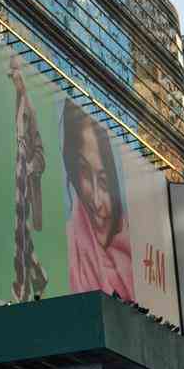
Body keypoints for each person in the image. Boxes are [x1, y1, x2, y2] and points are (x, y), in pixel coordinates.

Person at [61, 99, 134, 300]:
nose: (95, 200)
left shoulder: (135, 259)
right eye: (84, 171)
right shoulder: (67, 250)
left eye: (103, 181)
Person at [9, 54, 47, 302]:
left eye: (15, 74)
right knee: (20, 232)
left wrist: (31, 166)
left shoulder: (30, 108)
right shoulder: (18, 101)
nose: (13, 78)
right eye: (11, 75)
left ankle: (21, 285)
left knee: (20, 231)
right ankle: (39, 277)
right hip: (18, 170)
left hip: (27, 174)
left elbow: (41, 152)